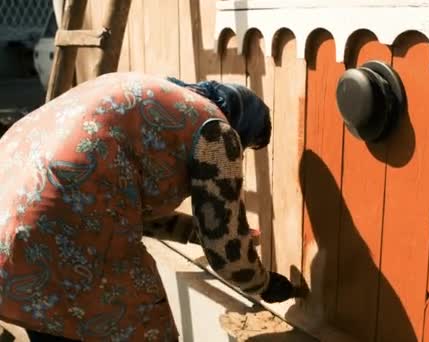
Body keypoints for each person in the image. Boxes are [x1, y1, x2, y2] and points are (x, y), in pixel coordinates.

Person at [0, 72, 295, 341]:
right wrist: (264, 283)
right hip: (65, 236)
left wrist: (193, 232)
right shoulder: (217, 132)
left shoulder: (158, 97)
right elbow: (227, 253)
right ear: (243, 129)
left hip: (10, 223)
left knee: (54, 326)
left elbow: (116, 199)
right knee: (147, 326)